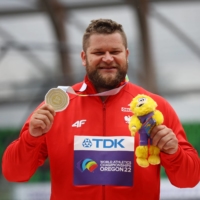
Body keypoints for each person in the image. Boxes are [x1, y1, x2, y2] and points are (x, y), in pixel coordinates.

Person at [2, 19, 200, 200]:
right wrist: (32, 137)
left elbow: (189, 180)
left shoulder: (154, 107)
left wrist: (173, 152)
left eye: (115, 52)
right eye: (98, 53)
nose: (107, 58)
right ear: (83, 57)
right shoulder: (56, 108)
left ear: (127, 55)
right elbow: (14, 173)